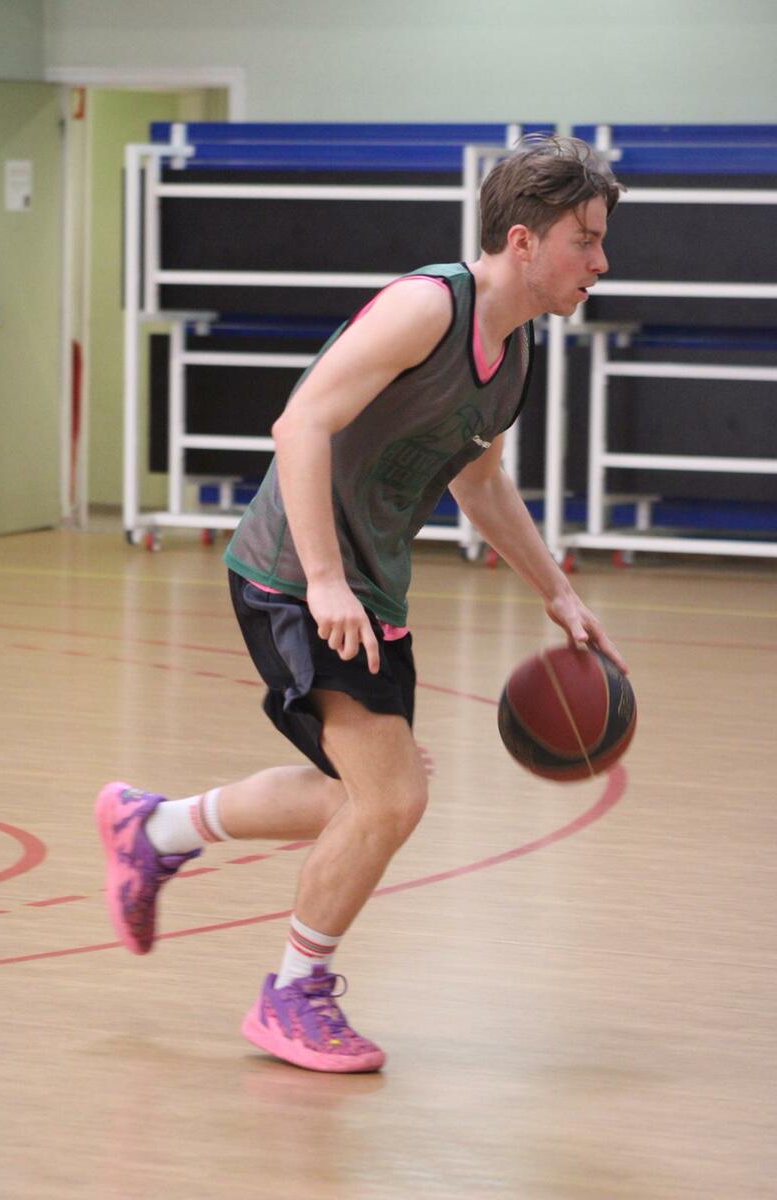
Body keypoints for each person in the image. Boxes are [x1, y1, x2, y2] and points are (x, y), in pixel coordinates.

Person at [96, 134, 627, 1074]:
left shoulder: (513, 355)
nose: (601, 261)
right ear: (523, 240)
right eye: (584, 240)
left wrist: (557, 591)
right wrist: (324, 577)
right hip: (293, 574)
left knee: (359, 798)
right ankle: (291, 996)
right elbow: (300, 421)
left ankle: (157, 828)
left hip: (368, 584)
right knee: (393, 797)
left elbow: (479, 484)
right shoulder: (428, 307)